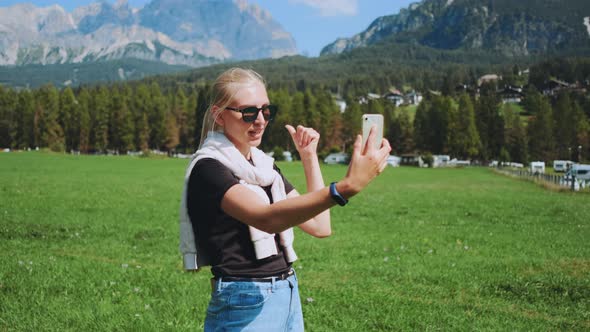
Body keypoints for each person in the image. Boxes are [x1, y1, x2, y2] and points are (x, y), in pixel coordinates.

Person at [179, 67, 391, 331]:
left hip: (287, 292)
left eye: (266, 111)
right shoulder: (208, 168)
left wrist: (309, 158)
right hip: (244, 301)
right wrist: (344, 188)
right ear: (219, 116)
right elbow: (266, 219)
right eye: (248, 112)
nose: (260, 121)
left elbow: (320, 227)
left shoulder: (265, 168)